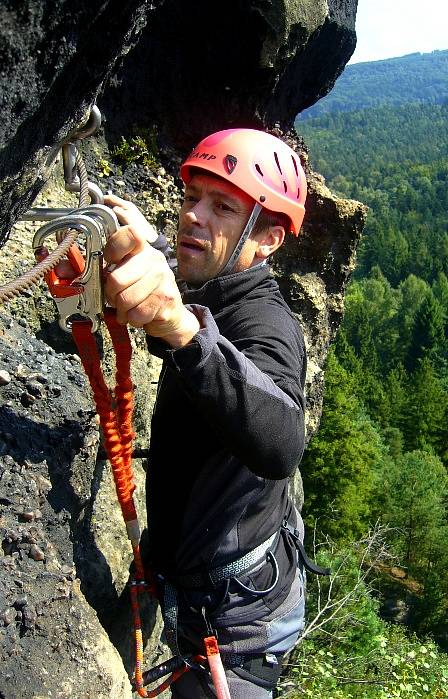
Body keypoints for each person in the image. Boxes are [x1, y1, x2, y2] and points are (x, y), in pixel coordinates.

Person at [102, 128, 313, 698]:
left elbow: (281, 439)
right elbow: (191, 310)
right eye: (192, 196)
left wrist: (182, 329)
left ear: (267, 239)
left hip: (236, 631)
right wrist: (146, 249)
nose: (194, 216)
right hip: (203, 583)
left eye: (223, 207)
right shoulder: (216, 286)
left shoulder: (267, 326)